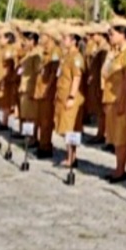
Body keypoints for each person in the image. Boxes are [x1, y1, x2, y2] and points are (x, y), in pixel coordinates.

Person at [103, 18, 126, 182]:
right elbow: (105, 73)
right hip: (113, 98)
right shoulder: (116, 53)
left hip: (121, 99)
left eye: (112, 33)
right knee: (115, 136)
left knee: (121, 136)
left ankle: (121, 170)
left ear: (123, 34)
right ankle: (118, 167)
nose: (109, 36)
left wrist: (123, 101)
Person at [55, 26, 85, 168]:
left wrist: (72, 97)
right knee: (66, 126)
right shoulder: (66, 55)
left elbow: (77, 77)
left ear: (74, 41)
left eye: (65, 38)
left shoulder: (76, 57)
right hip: (62, 94)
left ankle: (71, 158)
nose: (63, 41)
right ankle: (70, 155)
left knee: (70, 127)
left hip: (70, 96)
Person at [33, 27, 61, 158]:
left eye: (42, 35)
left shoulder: (55, 52)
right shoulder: (44, 51)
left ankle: (45, 146)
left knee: (46, 120)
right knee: (40, 118)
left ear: (49, 37)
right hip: (40, 88)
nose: (40, 38)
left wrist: (48, 89)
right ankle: (40, 142)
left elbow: (53, 74)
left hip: (47, 91)